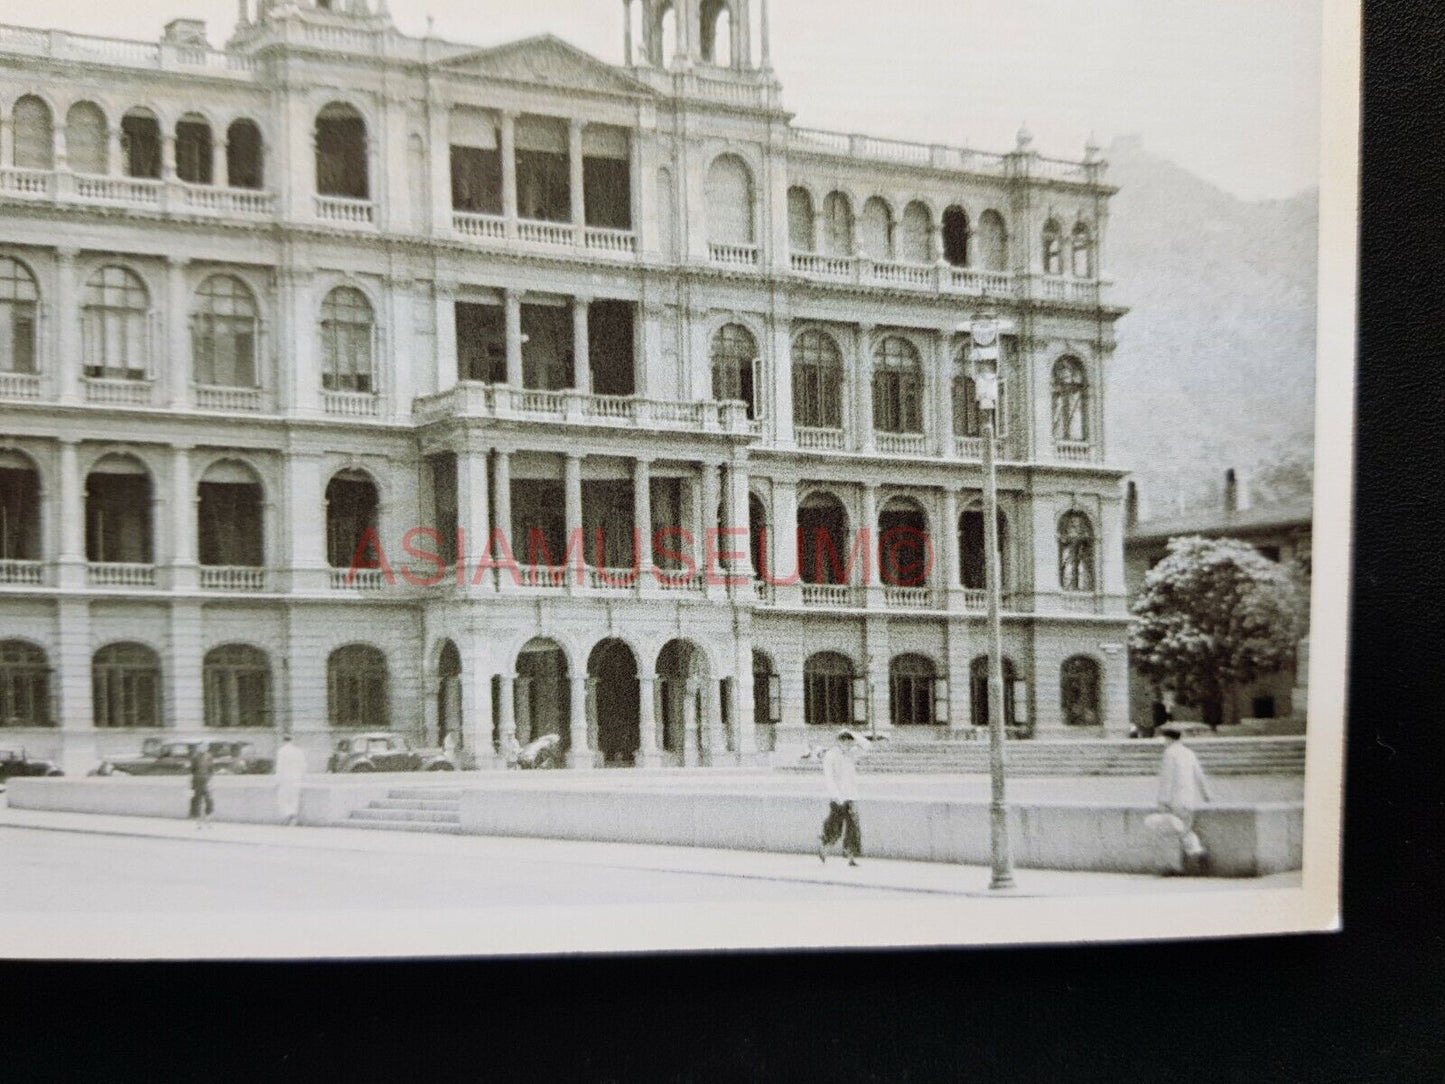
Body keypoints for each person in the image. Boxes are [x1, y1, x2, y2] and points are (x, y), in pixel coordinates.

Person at [1149, 723, 1214, 875]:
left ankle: (1182, 861)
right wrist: (1206, 795)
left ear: (1168, 738)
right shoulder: (1189, 753)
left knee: (1173, 833)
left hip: (1174, 801)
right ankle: (1196, 852)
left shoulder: (1169, 754)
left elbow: (1167, 779)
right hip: (1188, 800)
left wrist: (1162, 801)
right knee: (1185, 829)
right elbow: (1199, 776)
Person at [818, 730, 864, 867]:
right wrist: (836, 795)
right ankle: (824, 848)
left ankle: (851, 856)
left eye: (849, 741)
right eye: (844, 740)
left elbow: (867, 745)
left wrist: (854, 734)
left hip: (851, 796)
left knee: (853, 828)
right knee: (834, 828)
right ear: (839, 741)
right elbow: (829, 777)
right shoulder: (831, 755)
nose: (847, 744)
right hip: (838, 798)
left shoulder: (851, 753)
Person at [274, 735, 307, 826]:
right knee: (295, 797)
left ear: (283, 740)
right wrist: (302, 777)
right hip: (296, 778)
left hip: (285, 778)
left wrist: (277, 780)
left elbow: (279, 766)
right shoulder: (298, 751)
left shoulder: (281, 751)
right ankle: (293, 817)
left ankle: (288, 817)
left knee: (285, 798)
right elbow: (303, 766)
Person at [188, 743, 214, 828]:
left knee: (209, 801)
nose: (202, 749)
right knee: (198, 801)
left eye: (204, 747)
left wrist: (210, 781)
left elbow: (211, 769)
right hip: (198, 781)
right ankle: (198, 821)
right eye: (201, 748)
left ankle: (207, 819)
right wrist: (192, 784)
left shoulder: (209, 757)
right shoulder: (195, 757)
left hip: (206, 781)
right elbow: (192, 770)